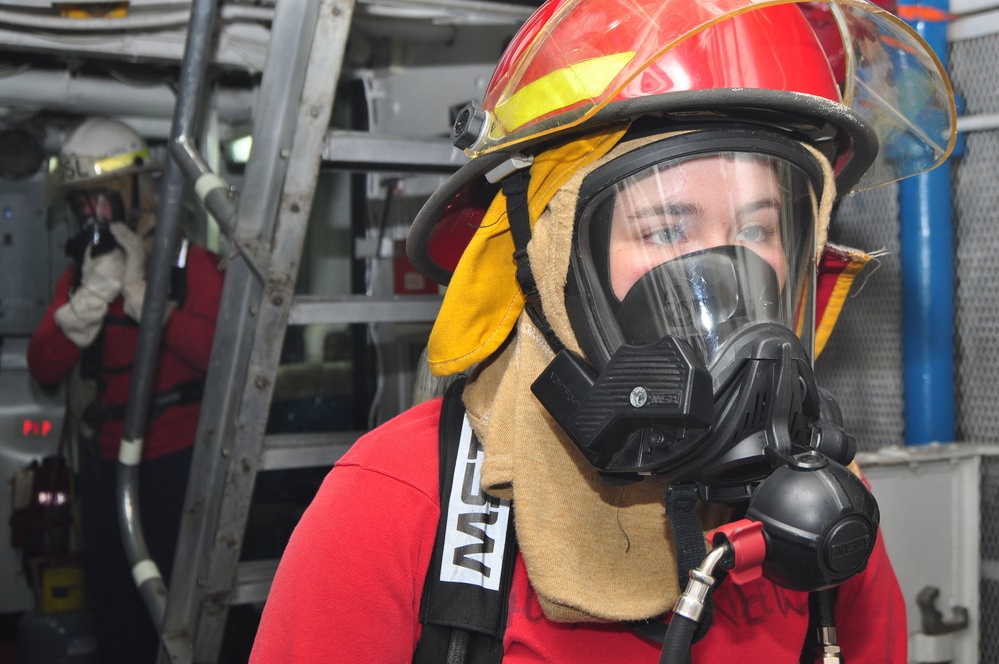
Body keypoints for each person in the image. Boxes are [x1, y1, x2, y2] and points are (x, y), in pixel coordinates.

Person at [249, 0, 955, 661]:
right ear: (554, 260)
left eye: (756, 227)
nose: (728, 271)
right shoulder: (395, 504)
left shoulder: (817, 507)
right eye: (665, 227)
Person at [26, 117, 225, 663]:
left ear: (137, 192)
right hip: (106, 470)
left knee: (180, 614)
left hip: (177, 471)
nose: (92, 213)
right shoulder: (85, 276)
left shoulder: (190, 266)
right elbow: (42, 367)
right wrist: (84, 307)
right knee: (117, 617)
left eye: (103, 197)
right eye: (82, 201)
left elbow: (219, 354)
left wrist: (150, 302)